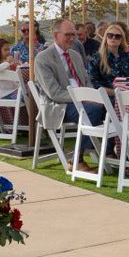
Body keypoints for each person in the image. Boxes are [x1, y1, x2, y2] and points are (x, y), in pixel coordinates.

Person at [32, 20, 106, 168]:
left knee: (111, 104)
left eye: (74, 35)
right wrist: (83, 98)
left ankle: (109, 150)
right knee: (94, 111)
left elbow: (86, 81)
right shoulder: (43, 59)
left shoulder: (75, 55)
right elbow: (54, 93)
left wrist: (94, 96)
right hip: (59, 105)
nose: (72, 39)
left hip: (82, 100)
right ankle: (77, 159)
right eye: (68, 35)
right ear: (55, 35)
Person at [89, 23, 129, 95]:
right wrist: (115, 93)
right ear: (106, 38)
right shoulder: (97, 58)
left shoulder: (128, 56)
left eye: (117, 36)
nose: (113, 38)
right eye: (110, 35)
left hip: (128, 95)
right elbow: (94, 84)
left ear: (121, 39)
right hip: (107, 98)